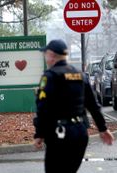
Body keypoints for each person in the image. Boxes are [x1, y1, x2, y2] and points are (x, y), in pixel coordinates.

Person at [33, 39, 114, 173]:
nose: (45, 58)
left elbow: (43, 108)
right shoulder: (80, 75)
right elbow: (93, 105)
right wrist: (103, 128)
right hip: (80, 134)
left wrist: (39, 134)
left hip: (59, 134)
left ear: (52, 55)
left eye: (46, 54)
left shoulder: (50, 76)